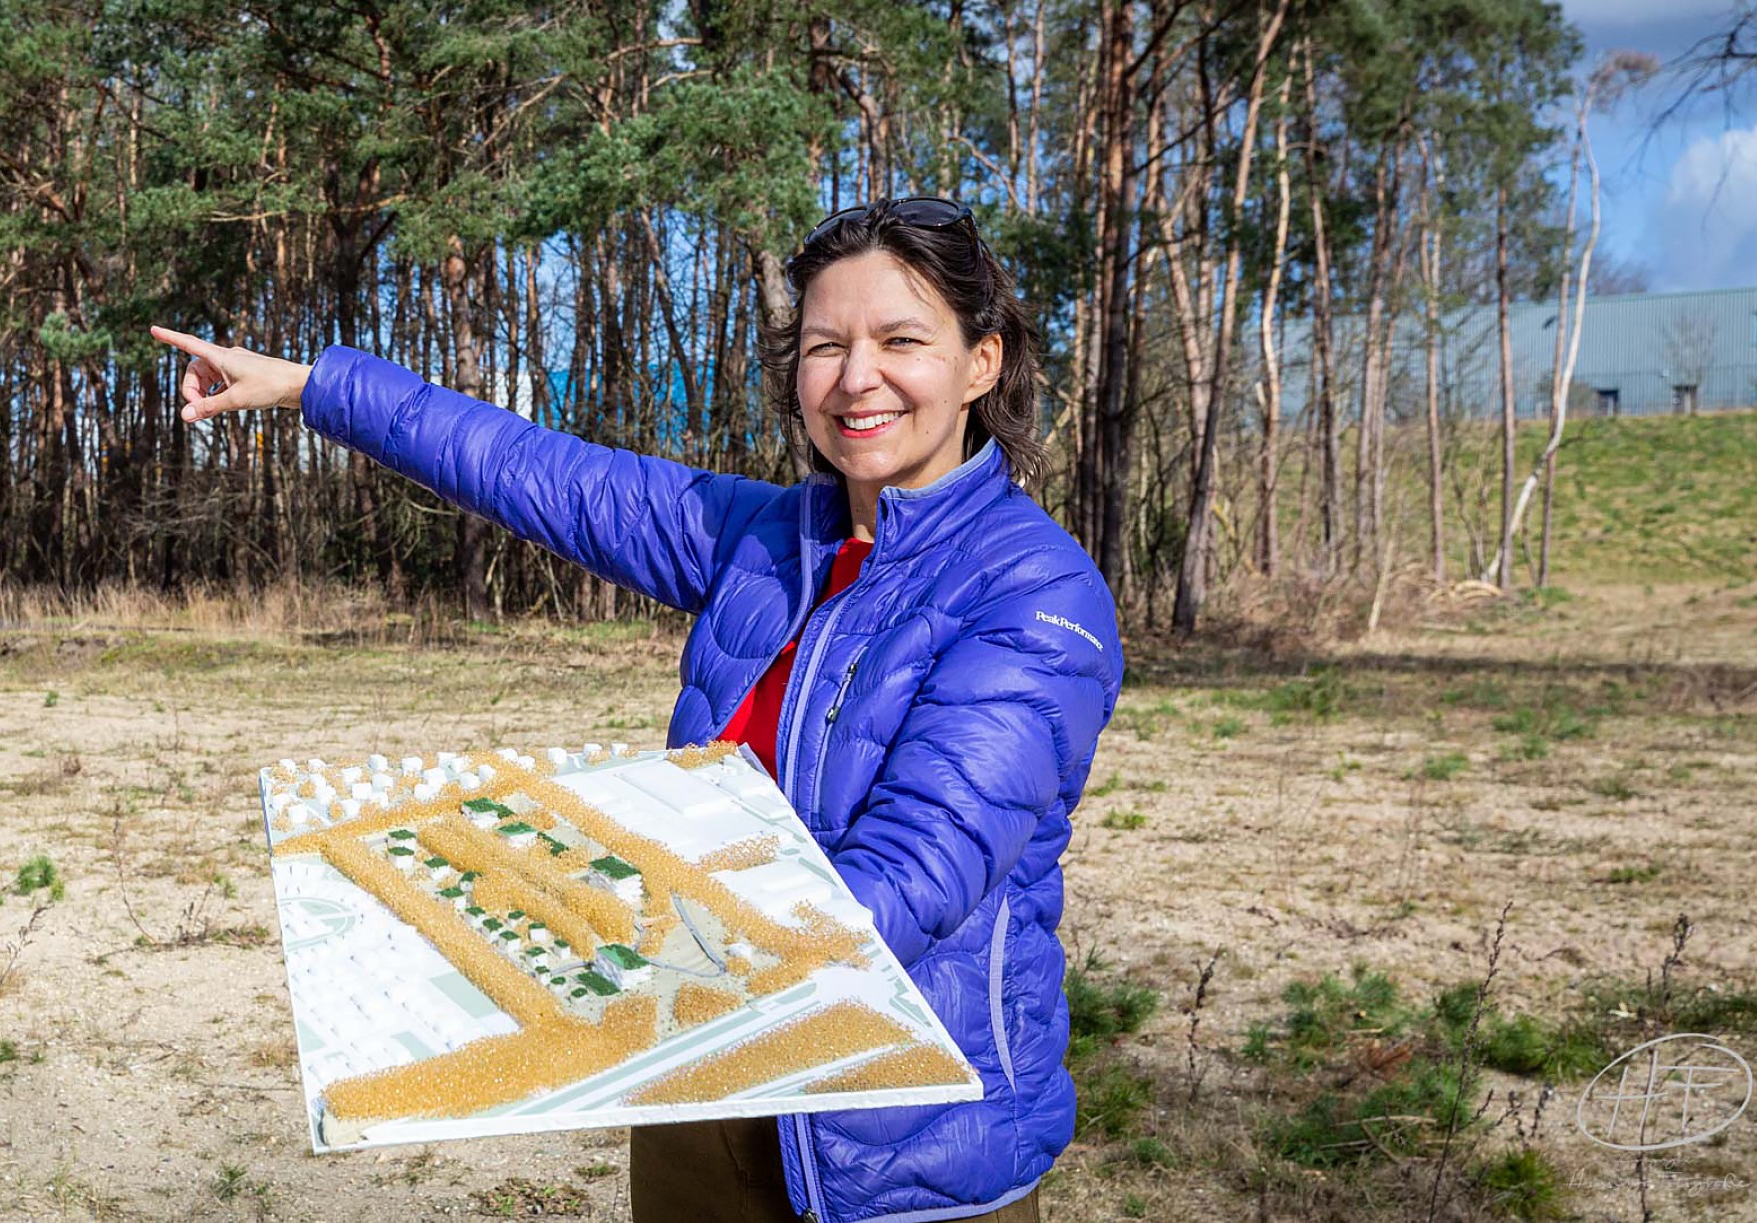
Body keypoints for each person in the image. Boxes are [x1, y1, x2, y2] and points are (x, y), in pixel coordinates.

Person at [151, 195, 1123, 1223]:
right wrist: (316, 386)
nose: (855, 377)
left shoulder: (1034, 594)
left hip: (895, 1141)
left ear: (981, 362)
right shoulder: (764, 534)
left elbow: (915, 876)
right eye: (826, 344)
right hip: (702, 1095)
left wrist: (559, 953)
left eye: (901, 340)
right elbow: (543, 473)